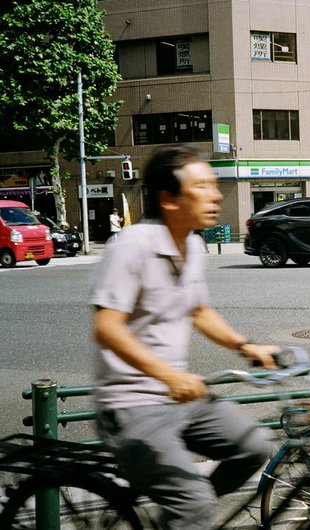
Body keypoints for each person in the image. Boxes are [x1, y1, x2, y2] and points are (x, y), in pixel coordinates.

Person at [91, 145, 279, 529]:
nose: (217, 195)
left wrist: (245, 346)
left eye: (214, 185)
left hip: (182, 400)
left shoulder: (192, 244)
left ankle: (180, 517)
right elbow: (106, 326)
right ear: (168, 198)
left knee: (255, 446)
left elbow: (198, 310)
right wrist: (169, 376)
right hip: (131, 407)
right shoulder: (133, 245)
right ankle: (187, 512)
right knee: (193, 501)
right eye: (203, 187)